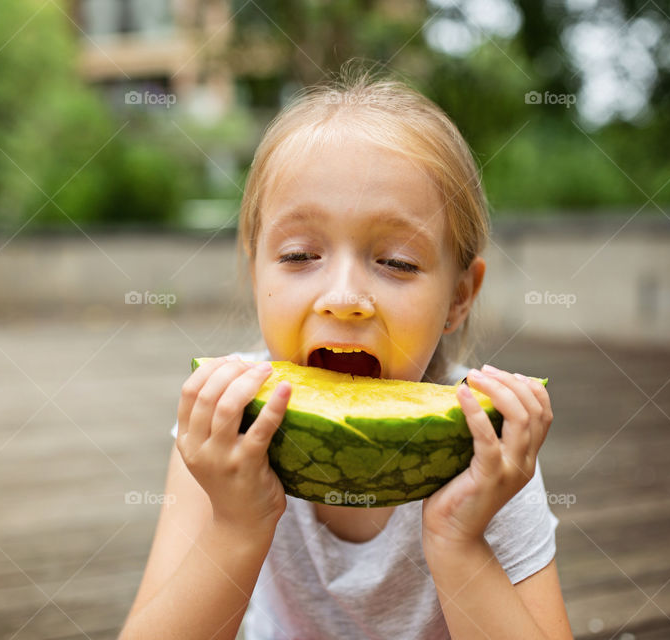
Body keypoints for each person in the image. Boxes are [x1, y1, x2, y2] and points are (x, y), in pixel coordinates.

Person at [119, 65, 573, 640]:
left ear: (459, 296)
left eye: (398, 263)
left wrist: (460, 540)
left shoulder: (491, 453)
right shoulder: (220, 430)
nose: (345, 299)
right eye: (299, 254)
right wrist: (236, 528)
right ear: (254, 270)